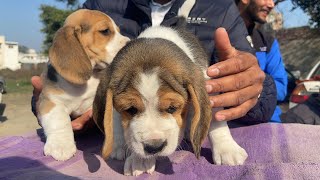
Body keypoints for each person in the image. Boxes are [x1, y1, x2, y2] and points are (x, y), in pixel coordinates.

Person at [31, 0, 277, 130]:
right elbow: (65, 69)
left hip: (189, 135)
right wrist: (60, 107)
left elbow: (256, 83)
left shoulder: (221, 8)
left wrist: (255, 90)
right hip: (112, 138)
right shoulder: (102, 4)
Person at [235, 0, 287, 122]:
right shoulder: (213, 36)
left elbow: (281, 88)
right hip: (221, 125)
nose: (271, 5)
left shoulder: (267, 42)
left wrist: (249, 84)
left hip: (269, 123)